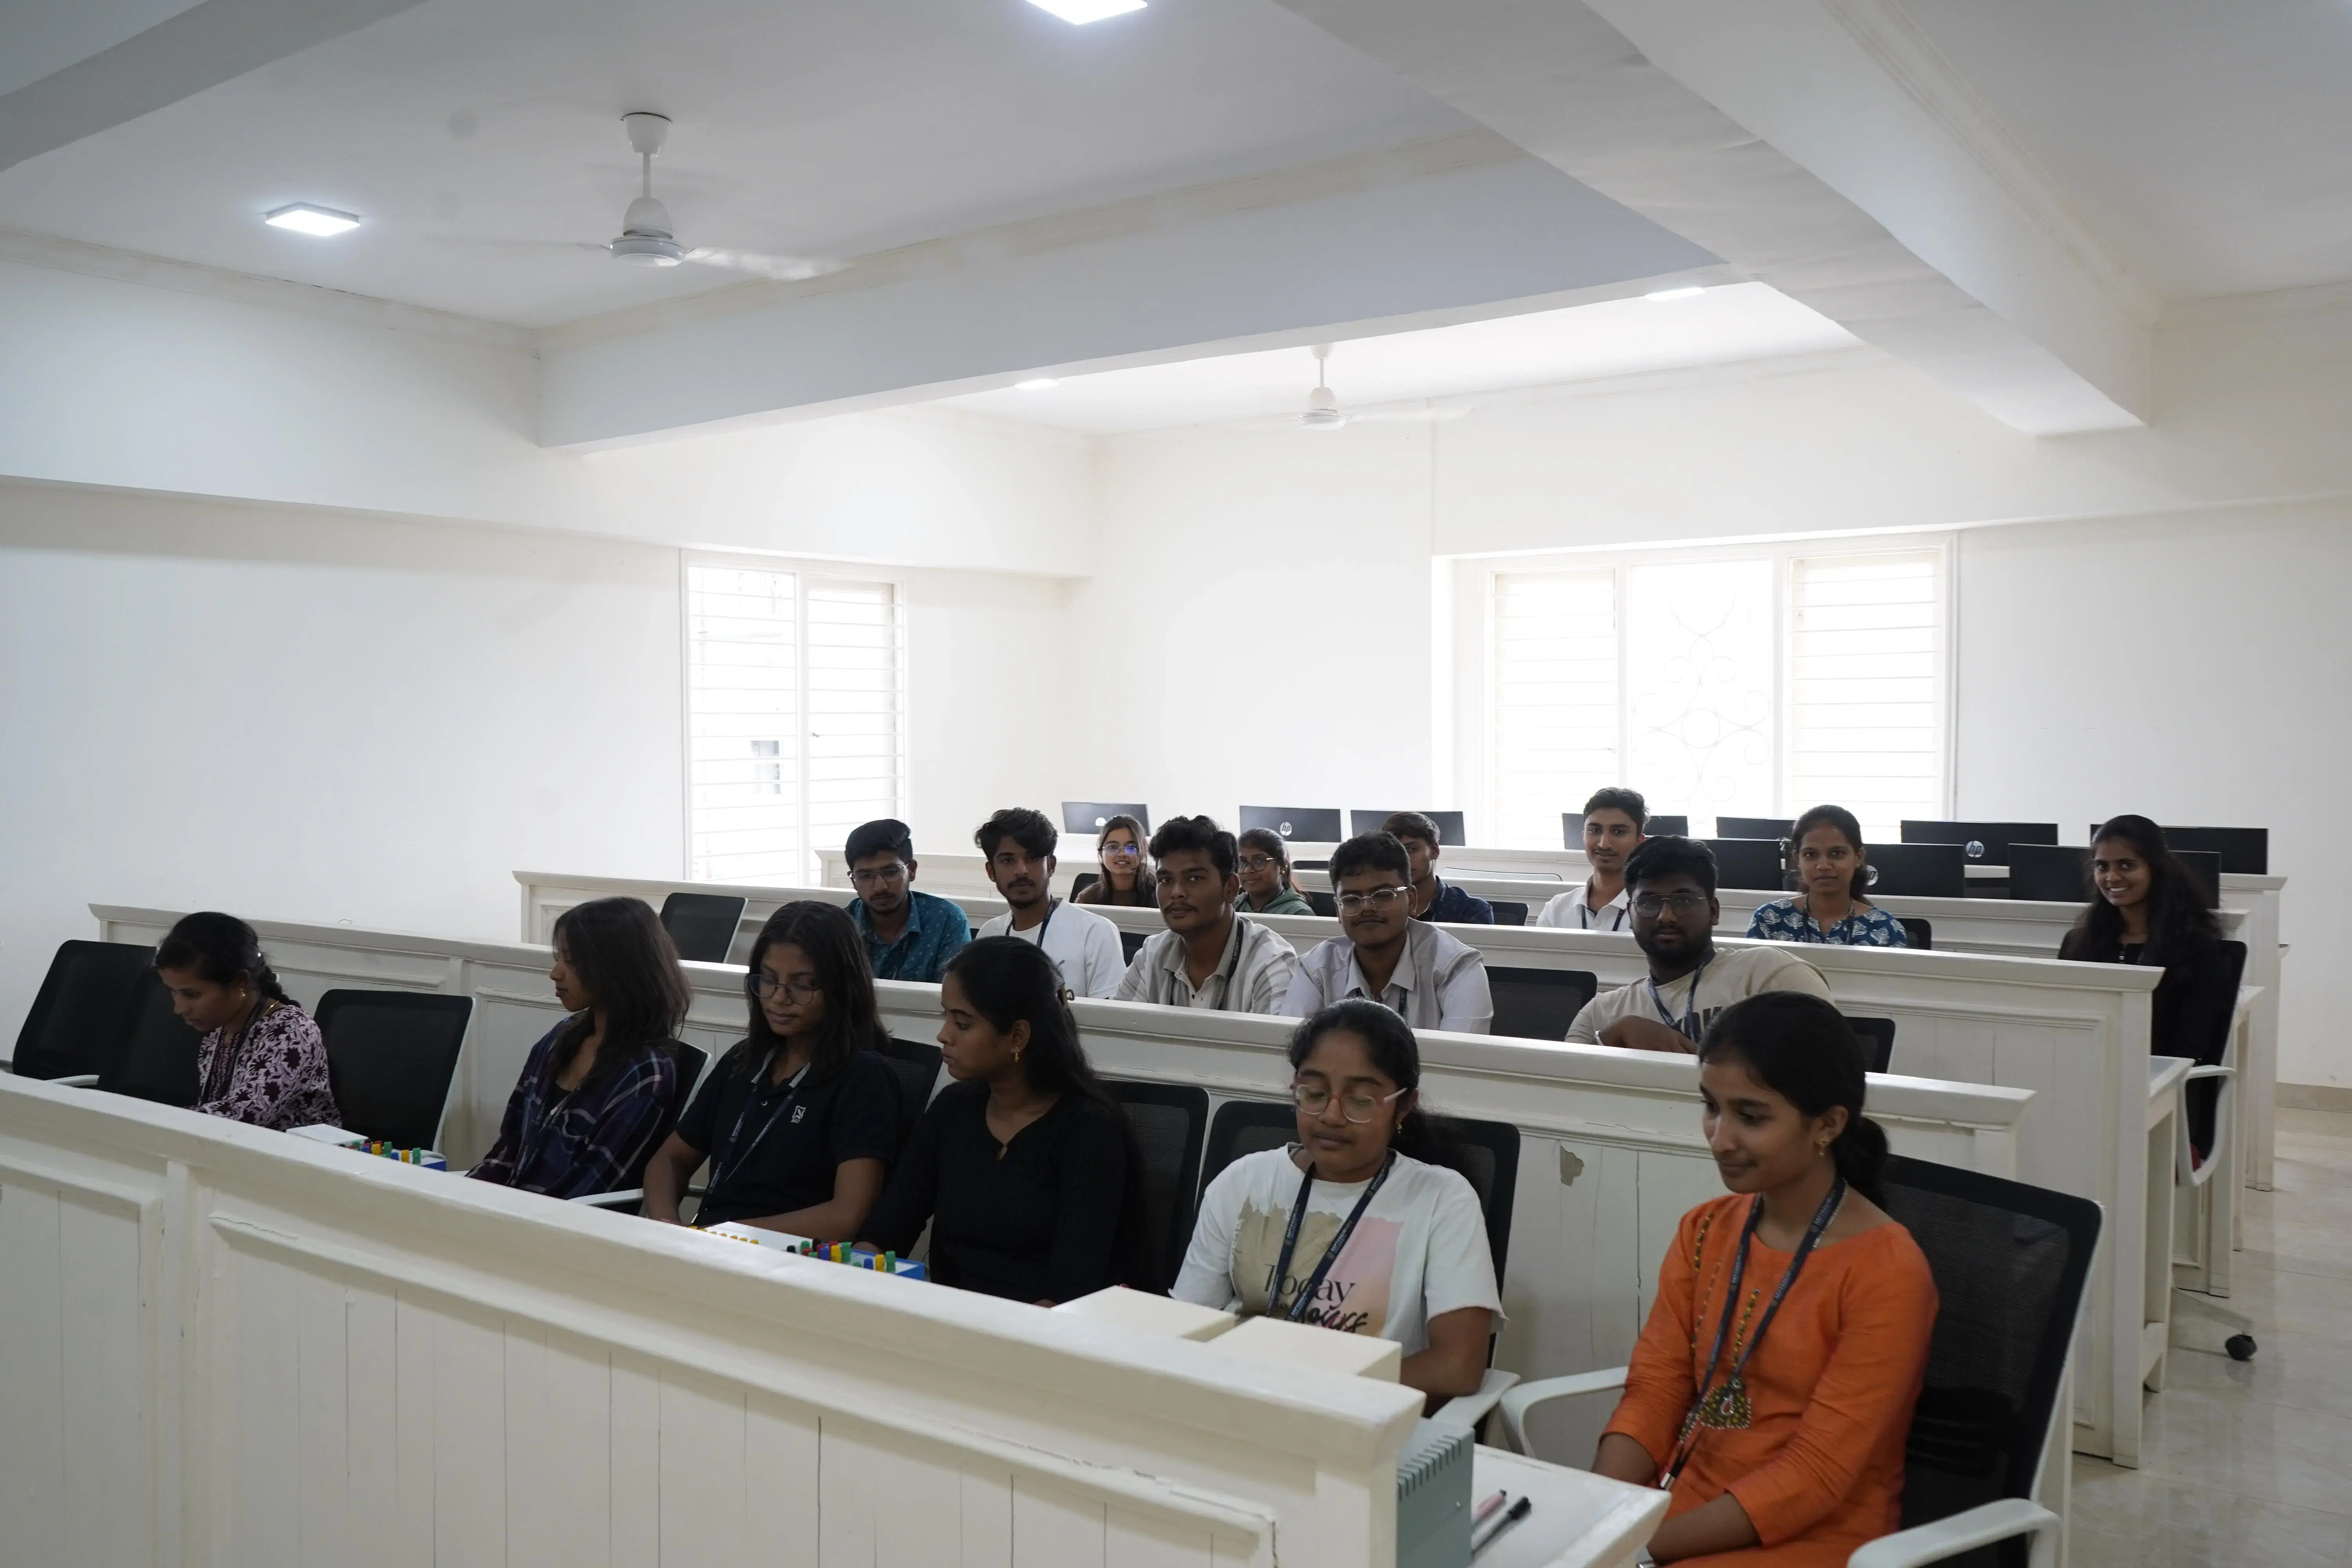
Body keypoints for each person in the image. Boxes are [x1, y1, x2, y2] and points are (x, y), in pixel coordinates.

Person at [1595, 992, 1937, 1566]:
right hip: (1683, 1511)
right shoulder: (1705, 1231)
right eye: (1712, 1107)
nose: (1720, 1137)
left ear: (1827, 1125)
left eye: (1751, 1117)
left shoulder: (1888, 1272)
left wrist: (1632, 1549)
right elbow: (1656, 1391)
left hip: (1809, 1536)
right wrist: (1599, 1515)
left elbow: (1818, 1474)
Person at [1176, 1001, 1502, 1410]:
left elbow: (1458, 1366)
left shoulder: (1442, 1199)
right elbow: (1186, 1326)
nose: (1331, 1115)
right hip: (1237, 1401)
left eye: (1360, 1101)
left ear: (1402, 1106)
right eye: (1313, 1093)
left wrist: (1318, 1390)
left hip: (1360, 1418)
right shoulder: (1243, 1183)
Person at [858, 938, 1156, 1304]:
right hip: (949, 1318)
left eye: (962, 1024)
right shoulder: (954, 1109)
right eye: (946, 1016)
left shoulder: (1090, 1132)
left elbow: (1071, 1292)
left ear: (1017, 1036)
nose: (944, 1035)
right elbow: (889, 1228)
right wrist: (855, 1272)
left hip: (1041, 1337)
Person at [641, 902, 903, 1235]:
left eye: (803, 985)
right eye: (768, 980)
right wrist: (667, 1226)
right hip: (712, 1248)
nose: (779, 998)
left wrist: (729, 1235)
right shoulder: (744, 1060)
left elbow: (847, 1216)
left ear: (842, 987)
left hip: (791, 1261)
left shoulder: (864, 1079)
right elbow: (670, 1160)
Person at [470, 897, 686, 1198]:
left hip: (559, 1227)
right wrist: (460, 1194)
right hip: (511, 1211)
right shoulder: (561, 1036)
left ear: (617, 967)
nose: (556, 973)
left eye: (572, 962)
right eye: (559, 958)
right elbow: (509, 1149)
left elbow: (587, 1188)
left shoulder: (646, 1072)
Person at [2060, 814, 2235, 1156]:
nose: (2111, 878)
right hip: (2089, 1083)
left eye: (2127, 865)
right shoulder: (2079, 943)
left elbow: (2188, 1047)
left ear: (2157, 869)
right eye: (2102, 866)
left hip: (2164, 1093)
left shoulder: (2196, 949)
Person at [1567, 838, 1831, 1052]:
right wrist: (1612, 1037)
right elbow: (1560, 1098)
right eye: (1648, 903)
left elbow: (1827, 1075)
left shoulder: (1772, 975)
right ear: (1631, 915)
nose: (1665, 916)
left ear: (1714, 911)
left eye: (1684, 901)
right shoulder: (1601, 1014)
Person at [1283, 833, 1493, 1034]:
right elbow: (1294, 1056)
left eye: (1383, 895)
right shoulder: (1316, 970)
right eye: (1351, 899)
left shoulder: (1456, 968)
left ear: (1411, 900)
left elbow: (1458, 1064)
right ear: (1339, 910)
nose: (1366, 908)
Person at [154, 911, 337, 1131]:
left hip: (300, 1159)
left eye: (192, 994)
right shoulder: (217, 1032)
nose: (179, 1008)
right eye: (173, 992)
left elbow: (243, 1115)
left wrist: (149, 1118)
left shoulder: (292, 1030)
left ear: (240, 983)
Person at [1115, 815, 1299, 1013]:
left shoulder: (1270, 963)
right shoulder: (1151, 956)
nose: (1177, 892)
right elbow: (1118, 1035)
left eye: (1194, 878)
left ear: (1230, 889)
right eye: (1166, 880)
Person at [972, 807, 1125, 998]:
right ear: (991, 872)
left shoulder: (1096, 932)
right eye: (1008, 860)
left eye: (1033, 858)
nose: (1021, 871)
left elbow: (1107, 1021)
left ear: (1051, 866)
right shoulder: (989, 935)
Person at [1745, 806, 1909, 948]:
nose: (1823, 865)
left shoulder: (1887, 929)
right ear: (1798, 860)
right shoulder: (1770, 919)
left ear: (1858, 857)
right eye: (1811, 854)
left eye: (1837, 854)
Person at [845, 818, 970, 982]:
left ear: (911, 870)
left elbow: (955, 997)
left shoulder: (946, 919)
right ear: (854, 882)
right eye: (865, 876)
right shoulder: (840, 928)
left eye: (891, 872)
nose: (880, 887)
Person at [1538, 788, 1650, 932]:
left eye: (1619, 832)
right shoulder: (1557, 910)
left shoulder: (1653, 911)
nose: (1604, 844)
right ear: (1584, 836)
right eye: (1595, 831)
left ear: (1639, 842)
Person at [1383, 811, 1494, 925]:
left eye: (1412, 849)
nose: (1405, 860)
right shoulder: (1382, 907)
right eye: (1397, 852)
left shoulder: (1471, 911)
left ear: (1435, 851)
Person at [1071, 813, 1154, 907]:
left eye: (1131, 847)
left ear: (1143, 852)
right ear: (1101, 854)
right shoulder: (1087, 899)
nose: (1122, 854)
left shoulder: (1160, 896)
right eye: (1113, 847)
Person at [1236, 828, 1314, 917]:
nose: (1248, 870)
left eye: (1259, 862)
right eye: (1242, 863)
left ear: (1283, 865)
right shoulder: (1233, 906)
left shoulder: (1298, 914)